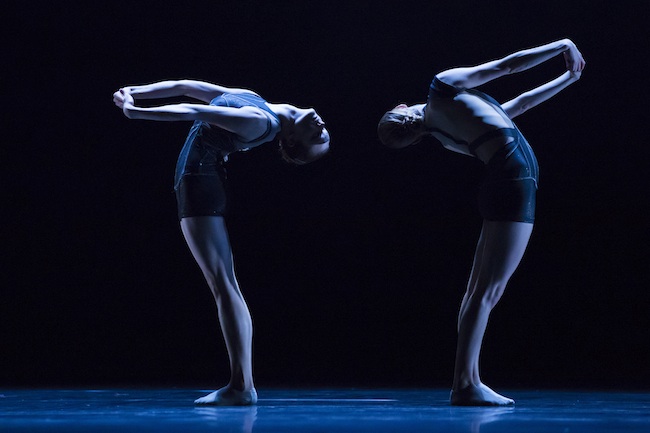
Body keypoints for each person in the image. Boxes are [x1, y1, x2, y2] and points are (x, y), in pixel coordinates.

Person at [377, 39, 585, 406]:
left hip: (504, 184)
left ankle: (467, 380)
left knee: (479, 291)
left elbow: (517, 106)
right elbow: (507, 65)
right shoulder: (441, 87)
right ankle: (464, 385)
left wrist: (567, 79)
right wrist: (562, 46)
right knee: (486, 292)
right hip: (513, 184)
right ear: (401, 107)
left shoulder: (444, 136)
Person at [113, 80, 330, 405]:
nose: (321, 125)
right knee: (224, 283)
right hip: (200, 182)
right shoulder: (259, 101)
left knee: (223, 284)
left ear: (291, 139)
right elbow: (185, 86)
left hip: (200, 186)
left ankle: (242, 386)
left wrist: (134, 111)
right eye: (323, 131)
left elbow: (192, 110)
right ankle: (242, 386)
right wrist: (136, 91)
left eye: (316, 136)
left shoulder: (261, 122)